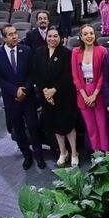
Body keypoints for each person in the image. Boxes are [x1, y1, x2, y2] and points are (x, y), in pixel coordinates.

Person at [0, 24, 44, 169]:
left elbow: (32, 73)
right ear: (4, 38)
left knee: (33, 127)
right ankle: (26, 155)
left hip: (28, 98)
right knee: (19, 129)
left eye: (15, 33)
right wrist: (15, 91)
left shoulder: (26, 50)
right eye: (10, 34)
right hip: (11, 100)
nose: (14, 36)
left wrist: (25, 90)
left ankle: (39, 155)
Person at [32, 27, 78, 167]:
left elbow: (68, 75)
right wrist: (45, 91)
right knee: (56, 126)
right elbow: (36, 73)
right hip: (47, 97)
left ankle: (74, 153)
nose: (52, 39)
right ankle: (63, 152)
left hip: (64, 95)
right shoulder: (39, 52)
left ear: (61, 38)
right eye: (49, 36)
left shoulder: (66, 53)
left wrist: (54, 90)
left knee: (68, 126)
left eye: (55, 36)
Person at [71, 24, 109, 152]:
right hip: (83, 92)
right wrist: (85, 96)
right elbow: (75, 76)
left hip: (98, 91)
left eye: (91, 33)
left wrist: (94, 95)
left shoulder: (102, 50)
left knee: (102, 127)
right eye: (86, 34)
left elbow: (104, 75)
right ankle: (97, 153)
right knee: (91, 127)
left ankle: (106, 153)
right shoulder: (76, 52)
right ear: (81, 37)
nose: (89, 36)